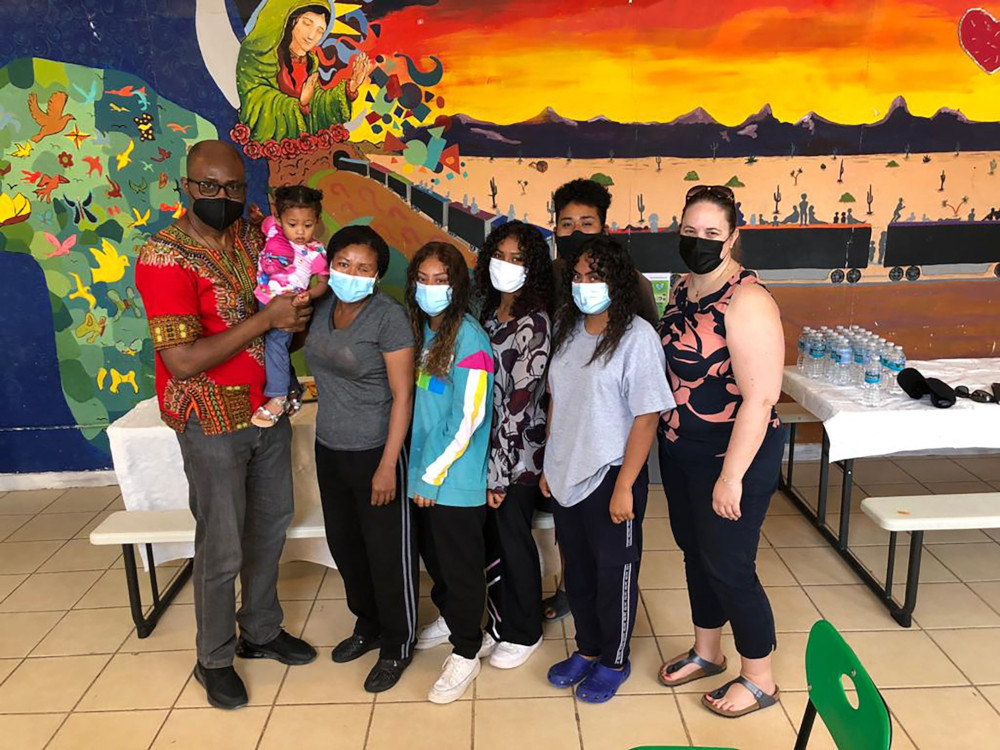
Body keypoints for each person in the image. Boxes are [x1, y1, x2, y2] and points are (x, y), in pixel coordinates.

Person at [135, 140, 316, 711]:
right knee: (222, 543)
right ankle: (213, 657)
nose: (222, 197)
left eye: (234, 187)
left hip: (267, 406)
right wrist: (269, 317)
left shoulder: (255, 232)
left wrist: (298, 315)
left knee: (271, 525)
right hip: (209, 417)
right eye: (209, 187)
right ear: (186, 187)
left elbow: (291, 285)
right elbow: (182, 360)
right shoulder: (163, 257)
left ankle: (260, 631)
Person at [656, 184, 784, 719]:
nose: (699, 241)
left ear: (734, 236)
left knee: (730, 565)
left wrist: (731, 478)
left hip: (733, 452)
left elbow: (761, 397)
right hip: (682, 445)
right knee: (695, 553)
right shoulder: (682, 286)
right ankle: (708, 651)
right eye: (690, 232)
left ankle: (759, 677)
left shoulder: (748, 301)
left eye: (712, 233)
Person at [542, 236, 675, 704]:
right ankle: (588, 648)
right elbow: (558, 397)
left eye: (594, 277)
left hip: (611, 475)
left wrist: (625, 486)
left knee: (612, 573)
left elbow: (647, 414)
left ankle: (614, 660)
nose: (584, 286)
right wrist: (549, 462)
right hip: (566, 474)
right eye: (577, 277)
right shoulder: (566, 326)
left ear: (617, 281)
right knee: (576, 573)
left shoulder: (637, 337)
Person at [303, 225, 418, 693]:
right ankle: (367, 624)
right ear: (330, 264)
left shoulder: (388, 317)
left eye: (363, 267)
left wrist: (389, 463)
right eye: (344, 264)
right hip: (329, 447)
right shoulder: (323, 306)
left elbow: (403, 394)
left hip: (376, 451)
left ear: (378, 275)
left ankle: (397, 643)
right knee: (346, 547)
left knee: (387, 554)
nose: (352, 273)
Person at [544, 178, 660, 624]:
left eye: (586, 224)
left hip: (609, 421)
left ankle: (607, 625)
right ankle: (573, 587)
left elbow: (642, 373)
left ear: (604, 227)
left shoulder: (630, 287)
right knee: (568, 516)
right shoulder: (549, 279)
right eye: (566, 224)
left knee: (609, 535)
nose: (575, 233)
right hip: (557, 411)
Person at [407, 242, 495, 704]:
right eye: (423, 278)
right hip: (426, 475)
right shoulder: (425, 332)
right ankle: (450, 617)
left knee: (460, 569)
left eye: (441, 280)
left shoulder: (470, 339)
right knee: (437, 562)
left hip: (453, 483)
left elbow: (468, 418)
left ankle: (467, 648)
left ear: (458, 286)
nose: (430, 288)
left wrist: (431, 476)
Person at [475, 221, 553, 669]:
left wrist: (499, 473)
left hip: (517, 456)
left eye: (518, 259)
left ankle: (524, 631)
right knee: (491, 539)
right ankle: (497, 622)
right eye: (500, 256)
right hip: (484, 449)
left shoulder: (535, 323)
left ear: (533, 268)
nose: (506, 266)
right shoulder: (489, 312)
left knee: (513, 539)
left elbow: (520, 407)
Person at [236, 1, 374, 142]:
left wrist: (349, 88)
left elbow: (316, 106)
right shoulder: (259, 55)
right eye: (307, 23)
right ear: (289, 19)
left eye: (320, 31)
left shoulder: (310, 62)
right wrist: (299, 105)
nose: (311, 36)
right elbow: (255, 101)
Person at [252, 185, 329, 427]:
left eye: (307, 225)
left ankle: (277, 397)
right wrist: (256, 220)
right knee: (270, 351)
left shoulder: (315, 252)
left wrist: (309, 294)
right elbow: (262, 223)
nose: (300, 232)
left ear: (317, 221)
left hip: (287, 310)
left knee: (275, 347)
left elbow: (323, 284)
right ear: (279, 219)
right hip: (261, 300)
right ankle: (294, 388)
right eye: (292, 224)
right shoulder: (272, 228)